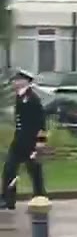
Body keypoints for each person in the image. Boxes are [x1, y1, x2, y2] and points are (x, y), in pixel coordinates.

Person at [2, 69, 47, 209]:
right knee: (9, 169)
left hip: (31, 143)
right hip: (19, 142)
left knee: (35, 172)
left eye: (17, 80)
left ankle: (40, 197)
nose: (14, 83)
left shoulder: (32, 99)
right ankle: (8, 199)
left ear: (25, 81)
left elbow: (41, 122)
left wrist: (40, 143)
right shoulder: (20, 97)